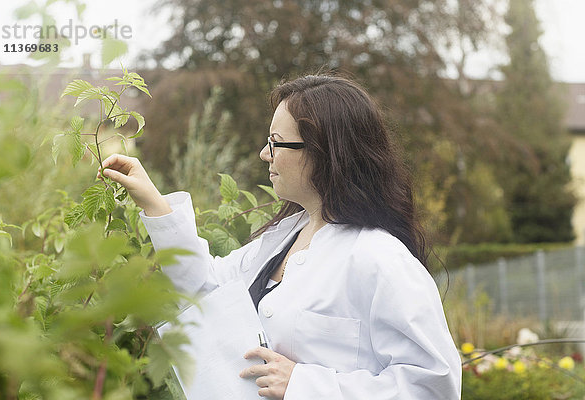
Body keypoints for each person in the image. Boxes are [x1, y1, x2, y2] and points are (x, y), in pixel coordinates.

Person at [98, 74, 462, 399]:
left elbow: (434, 386)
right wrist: (153, 202)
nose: (263, 154)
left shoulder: (380, 258)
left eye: (276, 142)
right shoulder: (283, 238)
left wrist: (305, 385)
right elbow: (208, 291)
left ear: (323, 153)